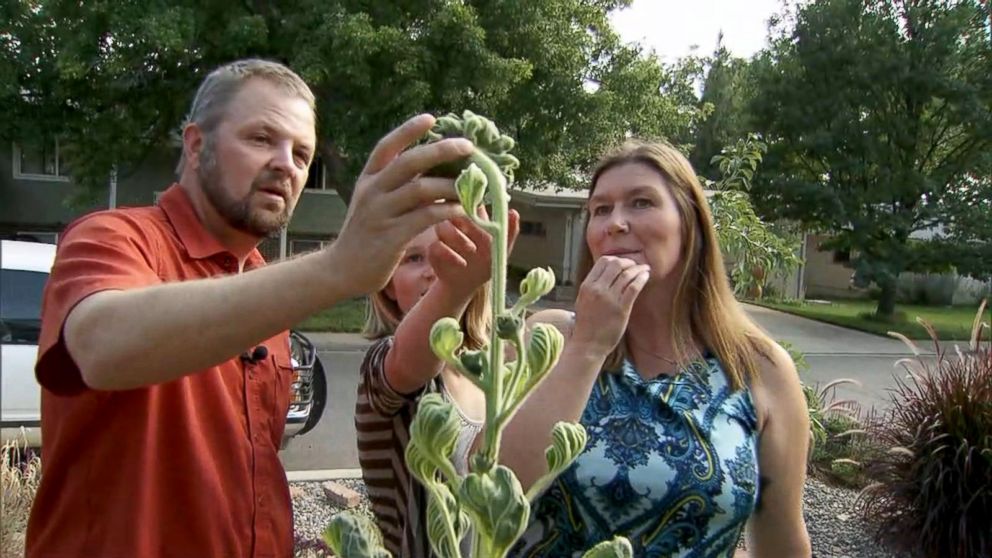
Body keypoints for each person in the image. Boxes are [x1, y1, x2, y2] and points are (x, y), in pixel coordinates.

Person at [25, 58, 475, 558]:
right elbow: (101, 346)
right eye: (261, 139)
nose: (287, 164)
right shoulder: (115, 237)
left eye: (303, 155)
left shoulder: (264, 284)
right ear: (196, 146)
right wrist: (337, 268)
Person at [501, 141, 812, 557]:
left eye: (641, 202)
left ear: (690, 222)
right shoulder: (548, 340)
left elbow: (782, 541)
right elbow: (498, 490)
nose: (615, 223)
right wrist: (589, 346)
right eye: (600, 209)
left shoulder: (760, 368)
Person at [356, 209, 519, 557]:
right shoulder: (384, 362)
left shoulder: (492, 371)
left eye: (449, 252)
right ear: (387, 281)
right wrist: (456, 283)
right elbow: (413, 361)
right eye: (414, 258)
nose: (434, 270)